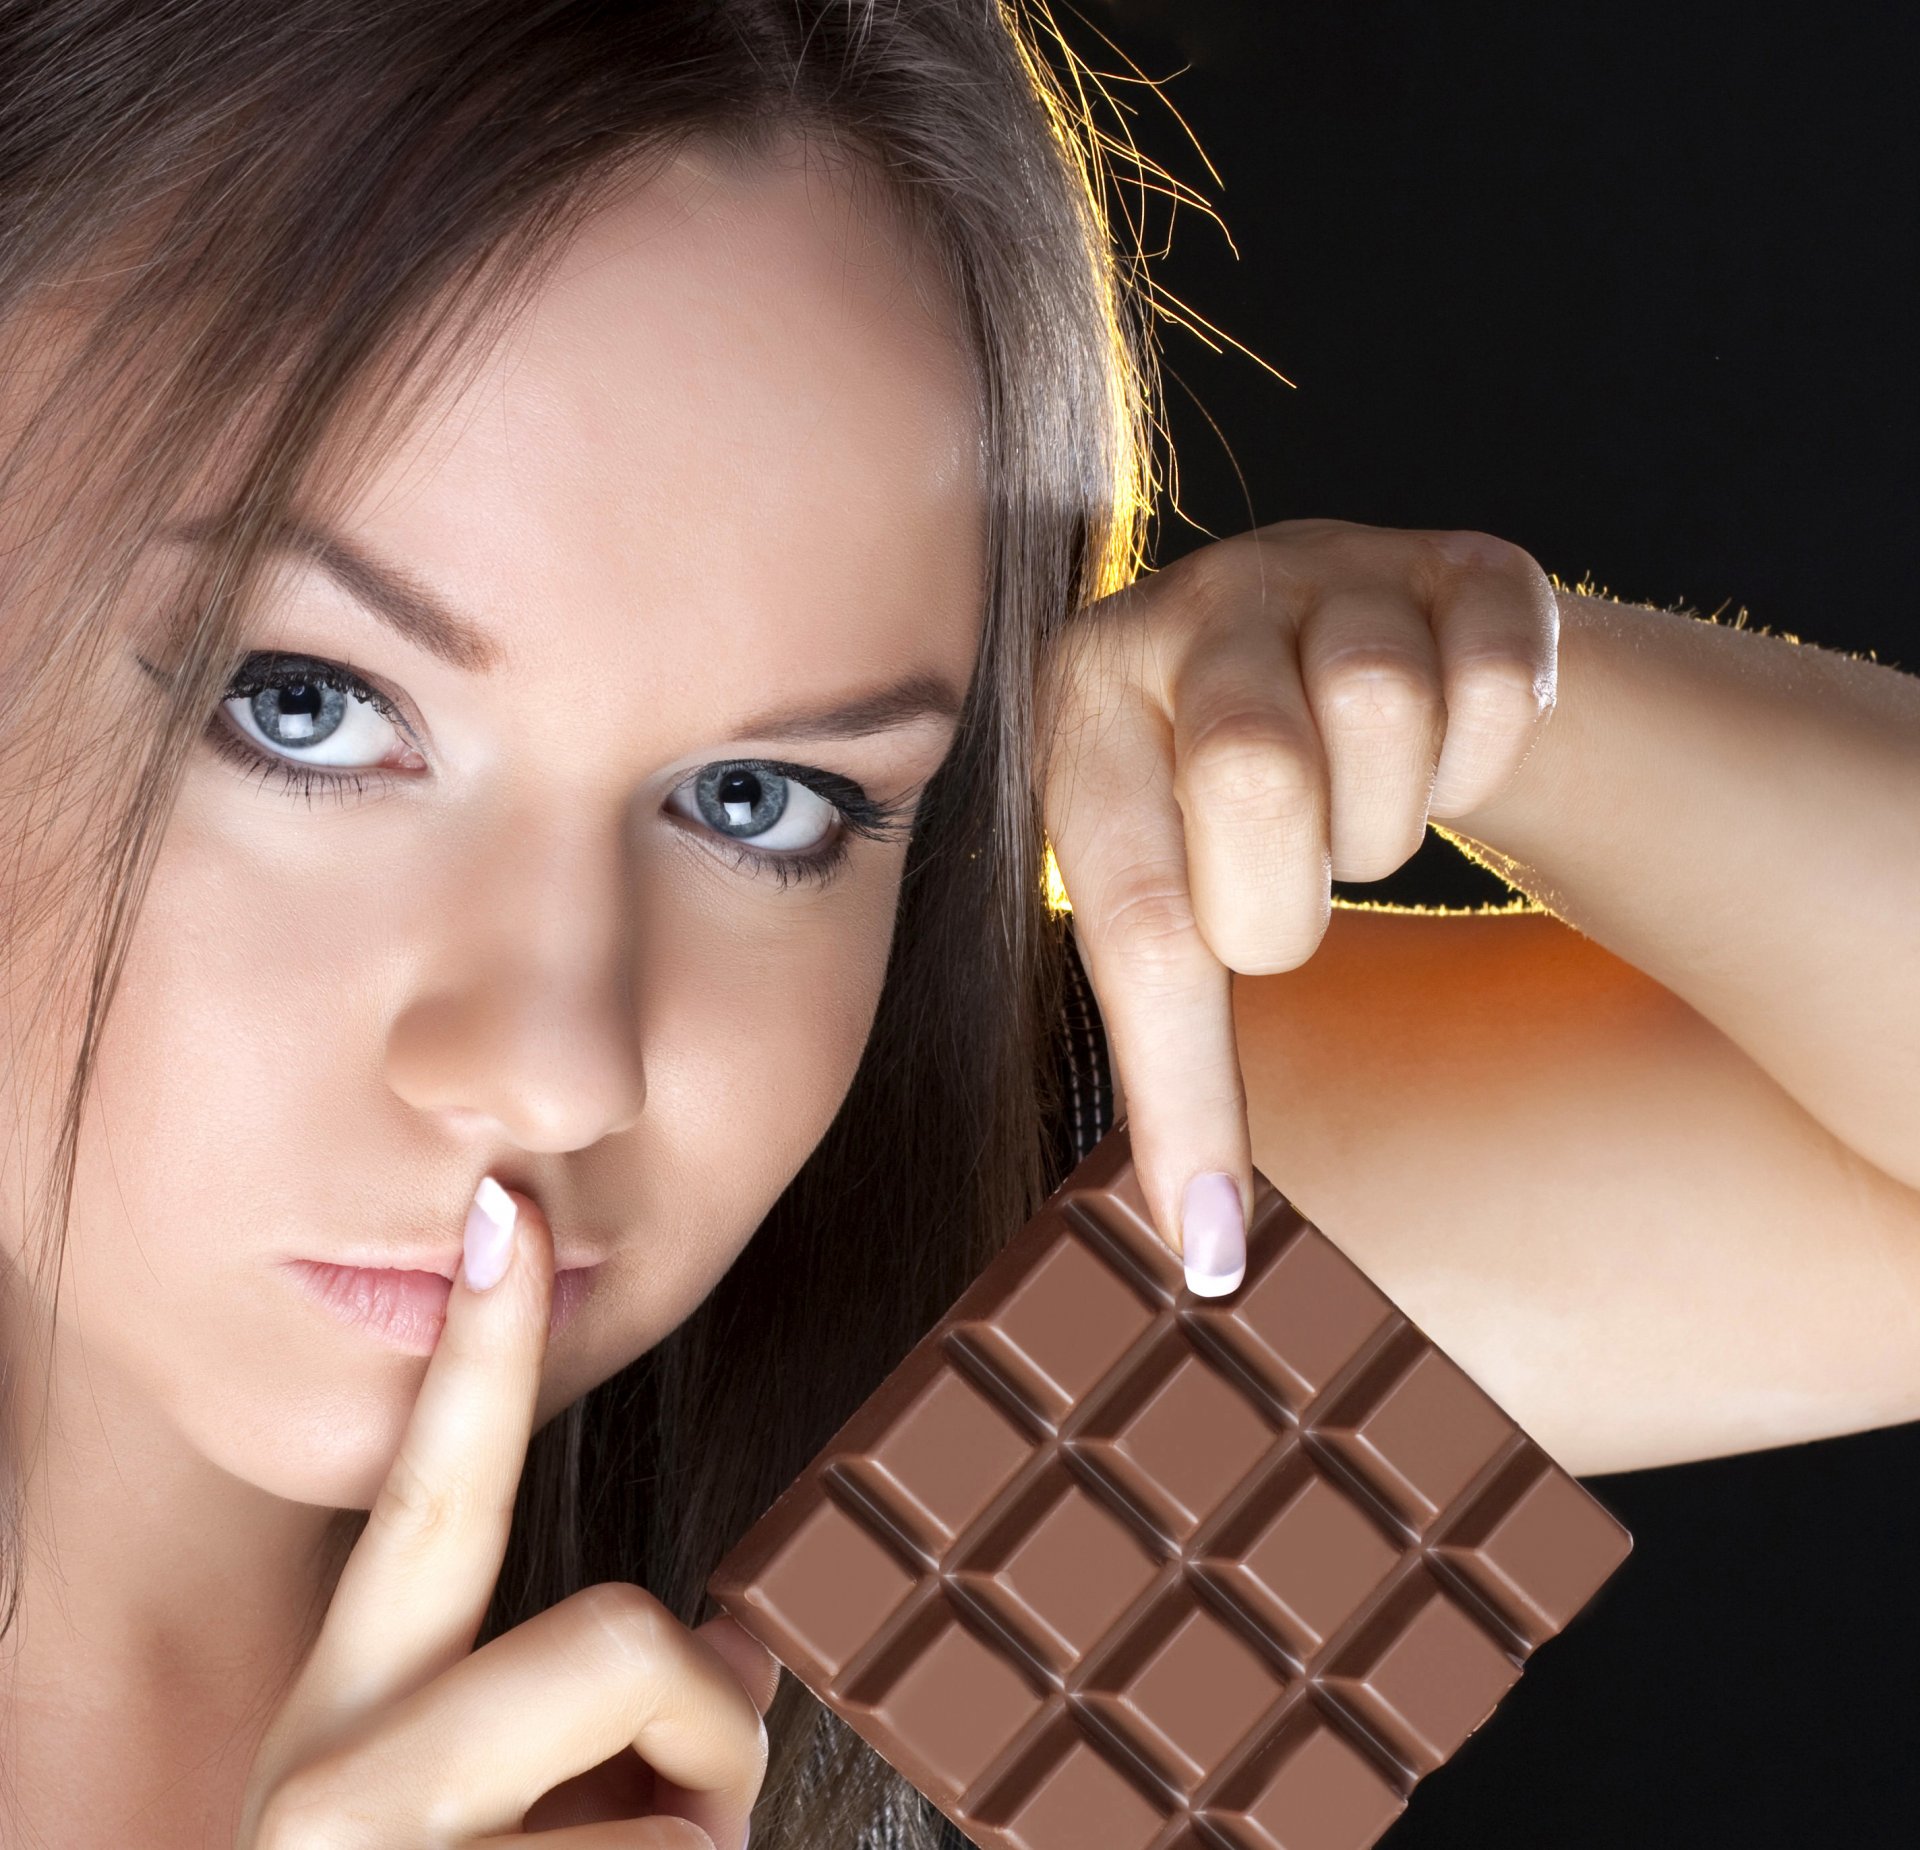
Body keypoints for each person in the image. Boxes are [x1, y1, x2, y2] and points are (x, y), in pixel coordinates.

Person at [1, 3, 1915, 1847]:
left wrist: (1500, 686)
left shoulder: (962, 1511)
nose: (555, 1064)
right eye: (304, 705)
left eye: (762, 802)